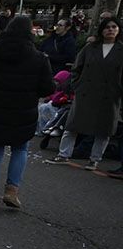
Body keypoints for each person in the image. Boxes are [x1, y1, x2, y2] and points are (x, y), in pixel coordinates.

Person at [0, 15, 55, 213]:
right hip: (24, 111)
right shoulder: (39, 58)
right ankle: (12, 191)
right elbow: (47, 87)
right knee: (20, 149)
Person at [45, 17, 123, 171]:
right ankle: (63, 155)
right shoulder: (90, 48)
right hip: (86, 92)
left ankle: (94, 160)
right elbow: (76, 67)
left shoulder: (121, 50)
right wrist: (77, 85)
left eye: (114, 27)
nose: (111, 30)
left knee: (104, 129)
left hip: (110, 94)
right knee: (73, 124)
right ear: (101, 30)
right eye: (107, 27)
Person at [36, 70, 73, 135]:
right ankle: (42, 129)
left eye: (57, 81)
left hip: (59, 110)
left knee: (44, 107)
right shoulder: (57, 89)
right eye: (55, 81)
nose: (55, 83)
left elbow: (55, 101)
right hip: (56, 108)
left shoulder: (66, 91)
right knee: (42, 107)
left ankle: (46, 128)